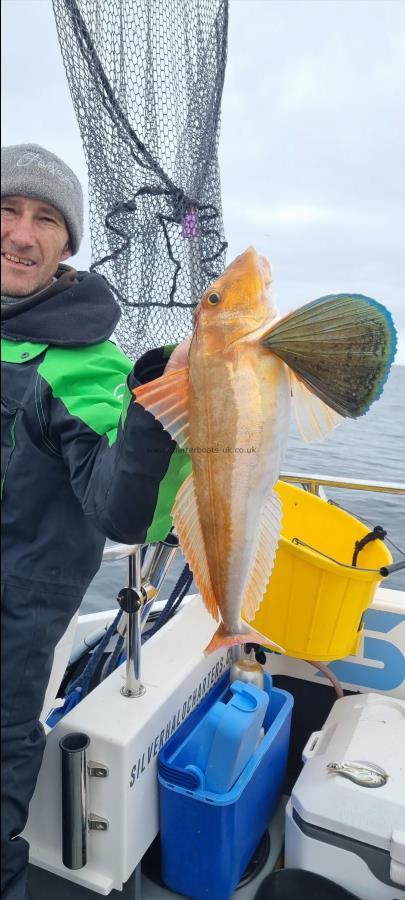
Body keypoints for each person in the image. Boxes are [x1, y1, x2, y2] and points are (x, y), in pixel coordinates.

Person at [1, 143, 191, 900]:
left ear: (66, 247)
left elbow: (126, 511)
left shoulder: (85, 364)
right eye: (7, 210)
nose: (21, 232)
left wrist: (159, 399)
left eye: (45, 220)